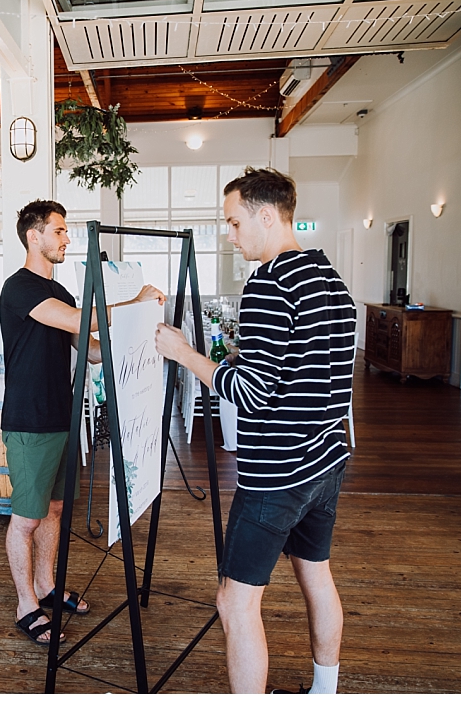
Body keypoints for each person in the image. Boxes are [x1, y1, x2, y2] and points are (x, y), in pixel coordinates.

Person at [154, 168, 356, 693]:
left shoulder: (269, 283)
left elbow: (249, 393)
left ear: (266, 216)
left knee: (234, 601)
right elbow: (312, 373)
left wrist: (184, 354)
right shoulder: (331, 279)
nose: (230, 234)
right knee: (316, 574)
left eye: (234, 222)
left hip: (278, 473)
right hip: (327, 460)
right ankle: (325, 693)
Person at [0, 199, 164, 646]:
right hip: (29, 420)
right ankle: (26, 605)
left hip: (63, 416)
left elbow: (89, 349)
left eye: (66, 231)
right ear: (34, 236)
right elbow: (79, 319)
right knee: (26, 519)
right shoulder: (19, 288)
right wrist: (133, 303)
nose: (67, 238)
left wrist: (140, 339)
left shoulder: (62, 293)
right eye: (59, 231)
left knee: (55, 510)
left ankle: (46, 586)